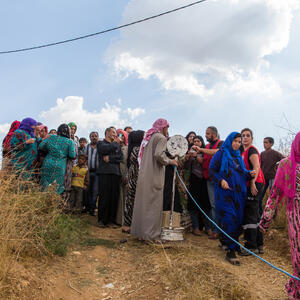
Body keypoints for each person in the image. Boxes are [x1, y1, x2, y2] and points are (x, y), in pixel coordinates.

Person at [259, 132, 300, 299]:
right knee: (299, 256)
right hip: (296, 217)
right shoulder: (286, 164)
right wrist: (265, 221)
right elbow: (274, 195)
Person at [209, 132, 254, 265]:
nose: (237, 144)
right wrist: (221, 180)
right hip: (225, 193)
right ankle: (231, 251)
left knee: (238, 220)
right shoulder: (221, 153)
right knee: (230, 218)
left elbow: (242, 173)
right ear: (230, 141)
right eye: (235, 141)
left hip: (239, 195)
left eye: (239, 142)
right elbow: (212, 171)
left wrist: (249, 174)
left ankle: (229, 242)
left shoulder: (238, 157)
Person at [130, 119, 178, 242]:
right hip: (154, 176)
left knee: (144, 205)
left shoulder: (149, 138)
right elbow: (159, 155)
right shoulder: (161, 138)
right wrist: (170, 161)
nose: (168, 130)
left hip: (144, 175)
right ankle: (151, 236)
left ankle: (142, 234)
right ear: (163, 127)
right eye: (167, 127)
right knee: (153, 207)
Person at [240, 128, 265, 255]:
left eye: (247, 135)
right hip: (250, 183)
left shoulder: (252, 150)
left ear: (252, 138)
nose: (245, 138)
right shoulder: (242, 151)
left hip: (255, 183)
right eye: (243, 135)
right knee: (255, 213)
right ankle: (259, 244)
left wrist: (253, 182)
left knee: (251, 214)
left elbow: (256, 166)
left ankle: (251, 246)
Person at [197, 126, 223, 239]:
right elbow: (205, 160)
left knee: (219, 205)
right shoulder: (207, 146)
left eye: (208, 133)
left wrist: (201, 150)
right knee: (213, 206)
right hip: (209, 179)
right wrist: (197, 157)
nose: (206, 135)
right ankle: (215, 230)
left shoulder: (221, 143)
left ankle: (220, 230)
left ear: (214, 134)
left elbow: (218, 153)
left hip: (219, 179)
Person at [39, 124, 76, 195]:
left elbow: (41, 146)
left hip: (47, 164)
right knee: (56, 187)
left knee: (45, 186)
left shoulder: (51, 137)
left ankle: (42, 203)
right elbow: (72, 155)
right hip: (59, 166)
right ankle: (53, 203)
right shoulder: (69, 141)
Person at [97, 127, 123, 227]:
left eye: (115, 133)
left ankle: (111, 221)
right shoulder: (101, 143)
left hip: (116, 173)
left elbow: (120, 157)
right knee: (104, 196)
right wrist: (115, 143)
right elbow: (104, 150)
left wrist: (110, 158)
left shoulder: (117, 145)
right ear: (107, 133)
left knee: (114, 197)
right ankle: (102, 220)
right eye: (113, 132)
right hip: (104, 173)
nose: (115, 134)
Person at [186, 135, 210, 236]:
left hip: (204, 181)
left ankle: (208, 227)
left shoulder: (205, 152)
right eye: (194, 141)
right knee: (193, 205)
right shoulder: (190, 152)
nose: (196, 143)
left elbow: (205, 163)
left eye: (198, 141)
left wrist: (197, 156)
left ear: (202, 143)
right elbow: (185, 167)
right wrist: (187, 157)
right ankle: (195, 227)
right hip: (194, 181)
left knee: (206, 205)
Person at [122, 130, 144, 233]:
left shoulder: (132, 148)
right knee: (131, 202)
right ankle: (128, 225)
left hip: (132, 177)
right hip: (136, 178)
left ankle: (128, 224)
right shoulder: (137, 149)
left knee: (130, 202)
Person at [115, 129, 129, 225]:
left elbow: (129, 163)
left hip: (124, 173)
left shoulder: (127, 148)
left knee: (123, 196)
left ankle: (121, 220)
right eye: (118, 135)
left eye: (122, 135)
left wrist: (127, 175)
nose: (120, 137)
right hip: (114, 173)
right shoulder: (114, 147)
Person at [85, 131, 100, 216]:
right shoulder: (87, 147)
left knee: (95, 191)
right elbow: (83, 158)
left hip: (98, 172)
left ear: (98, 137)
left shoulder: (101, 147)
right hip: (88, 172)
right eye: (92, 136)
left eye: (95, 136)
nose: (94, 137)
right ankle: (87, 207)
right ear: (90, 138)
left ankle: (92, 209)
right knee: (87, 190)